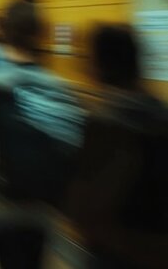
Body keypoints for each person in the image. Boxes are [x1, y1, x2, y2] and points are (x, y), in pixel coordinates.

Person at [0, 1, 84, 269]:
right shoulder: (60, 91)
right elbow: (73, 151)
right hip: (42, 212)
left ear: (1, 32)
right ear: (39, 34)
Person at [64, 25, 168, 269]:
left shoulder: (107, 121)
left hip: (116, 253)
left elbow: (86, 208)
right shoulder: (161, 112)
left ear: (99, 63)